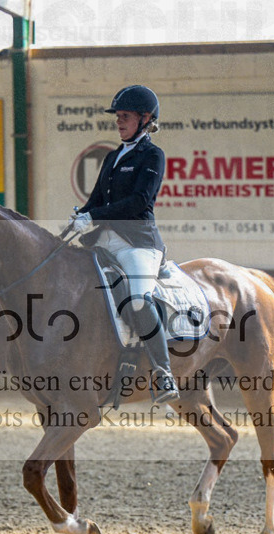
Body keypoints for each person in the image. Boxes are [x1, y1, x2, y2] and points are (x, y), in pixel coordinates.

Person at [68, 85, 179, 404]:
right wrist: (82, 214)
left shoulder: (152, 155)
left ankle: (163, 372)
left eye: (125, 116)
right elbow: (97, 198)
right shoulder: (114, 156)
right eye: (117, 117)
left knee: (139, 299)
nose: (119, 122)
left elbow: (139, 201)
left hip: (138, 243)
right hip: (105, 240)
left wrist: (95, 215)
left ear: (146, 119)